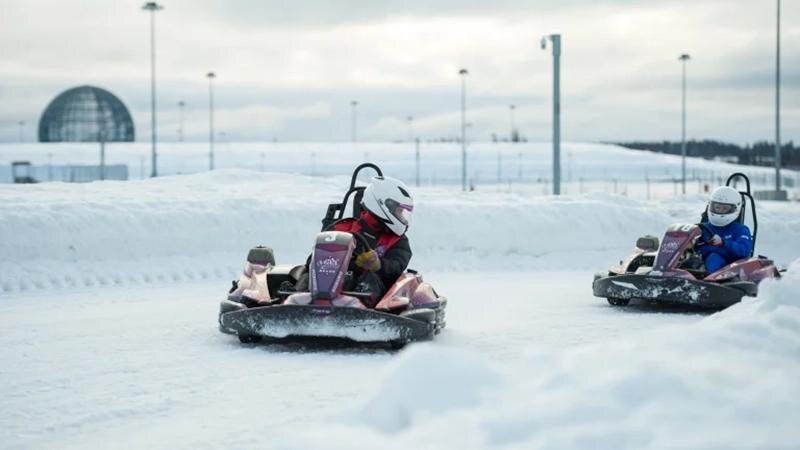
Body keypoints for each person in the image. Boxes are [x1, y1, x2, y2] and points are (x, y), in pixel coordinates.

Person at [295, 175, 413, 307]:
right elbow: (311, 261)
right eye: (399, 211)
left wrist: (378, 265)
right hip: (330, 280)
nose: (402, 217)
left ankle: (361, 308)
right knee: (308, 275)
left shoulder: (397, 240)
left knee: (370, 278)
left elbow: (397, 267)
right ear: (383, 205)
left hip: (371, 294)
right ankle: (297, 302)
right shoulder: (341, 228)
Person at [698, 185, 752, 273]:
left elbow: (744, 250)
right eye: (717, 207)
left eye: (724, 208)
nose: (720, 211)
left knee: (714, 259)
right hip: (700, 263)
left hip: (729, 268)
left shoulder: (741, 230)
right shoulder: (702, 228)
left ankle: (705, 278)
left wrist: (723, 243)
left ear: (735, 209)